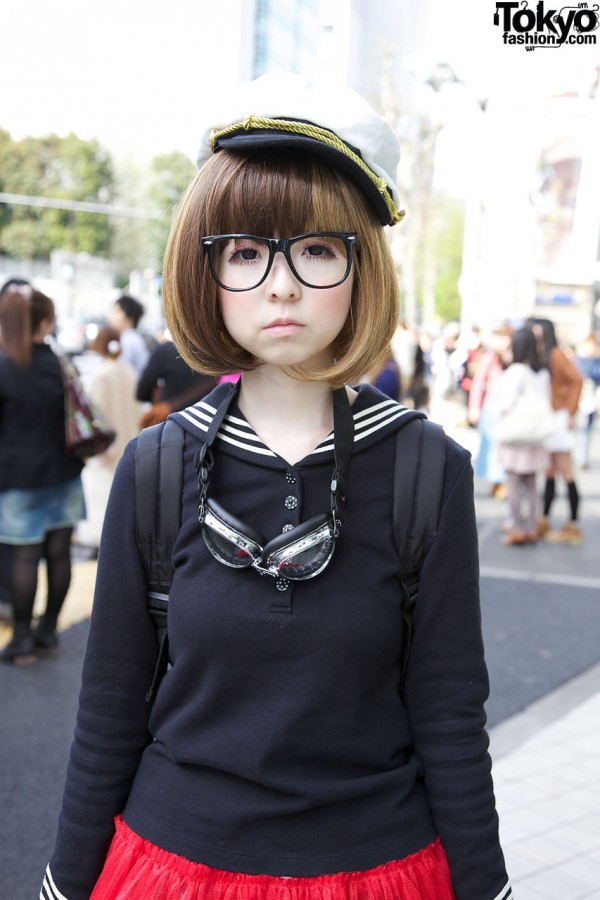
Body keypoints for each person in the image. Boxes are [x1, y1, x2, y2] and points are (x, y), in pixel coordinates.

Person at [42, 73, 511, 900]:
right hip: (170, 866)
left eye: (319, 248)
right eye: (248, 251)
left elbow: (449, 710)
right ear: (208, 269)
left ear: (363, 268)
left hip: (379, 866)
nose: (282, 284)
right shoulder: (156, 466)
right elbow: (111, 706)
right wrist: (62, 884)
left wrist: (488, 886)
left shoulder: (423, 466)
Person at [0, 286, 85, 664]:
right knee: (59, 555)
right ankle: (48, 634)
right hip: (64, 473)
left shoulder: (4, 366)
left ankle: (21, 641)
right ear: (46, 322)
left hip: (17, 478)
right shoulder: (62, 364)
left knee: (23, 558)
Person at [76, 327, 142, 551]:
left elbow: (94, 415)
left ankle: (100, 539)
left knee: (102, 495)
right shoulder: (130, 371)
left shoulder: (101, 375)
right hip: (130, 440)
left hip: (106, 448)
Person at [528, 317, 583, 544]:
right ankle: (546, 519)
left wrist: (570, 411)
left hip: (559, 418)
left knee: (566, 472)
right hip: (551, 419)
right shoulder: (544, 354)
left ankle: (573, 524)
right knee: (549, 472)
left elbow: (576, 380)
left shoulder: (555, 354)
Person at [494, 327, 550, 545]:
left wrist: (495, 408)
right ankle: (531, 527)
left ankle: (518, 528)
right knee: (532, 484)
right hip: (536, 434)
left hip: (516, 434)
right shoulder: (542, 372)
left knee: (514, 483)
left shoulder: (516, 371)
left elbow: (505, 404)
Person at [468, 324, 512, 499]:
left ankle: (500, 482)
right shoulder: (490, 357)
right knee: (492, 447)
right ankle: (498, 482)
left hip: (507, 411)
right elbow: (478, 383)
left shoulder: (512, 357)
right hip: (490, 408)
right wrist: (474, 407)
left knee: (503, 448)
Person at [136, 332, 216, 427]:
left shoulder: (164, 351)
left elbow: (141, 393)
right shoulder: (213, 354)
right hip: (205, 423)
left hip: (170, 425)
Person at [109, 293, 151, 376]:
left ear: (129, 317)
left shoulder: (128, 340)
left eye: (117, 311)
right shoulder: (132, 338)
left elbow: (119, 373)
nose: (111, 316)